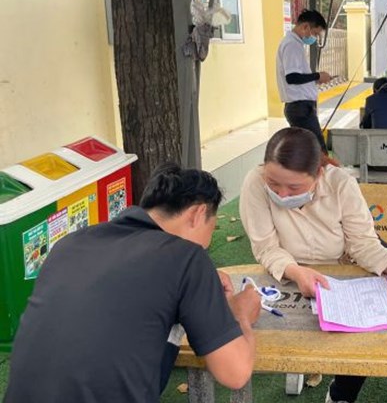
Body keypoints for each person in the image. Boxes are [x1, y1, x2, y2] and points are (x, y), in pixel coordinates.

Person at [4, 163, 262, 403]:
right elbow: (235, 373)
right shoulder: (187, 256)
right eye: (210, 232)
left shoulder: (70, 244)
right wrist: (240, 316)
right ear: (197, 213)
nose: (205, 247)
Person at [239, 127, 387, 403]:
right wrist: (295, 271)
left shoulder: (340, 183)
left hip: (349, 261)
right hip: (294, 270)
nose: (281, 194)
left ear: (318, 174)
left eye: (294, 187)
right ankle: (341, 395)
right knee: (354, 324)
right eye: (273, 184)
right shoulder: (254, 183)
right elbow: (266, 248)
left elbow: (363, 244)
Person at [277, 9, 332, 150]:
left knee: (309, 151)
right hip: (300, 107)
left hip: (301, 106)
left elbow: (296, 75)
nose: (314, 38)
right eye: (315, 33)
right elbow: (292, 77)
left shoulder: (294, 43)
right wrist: (317, 76)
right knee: (317, 151)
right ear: (305, 26)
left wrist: (315, 79)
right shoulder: (292, 45)